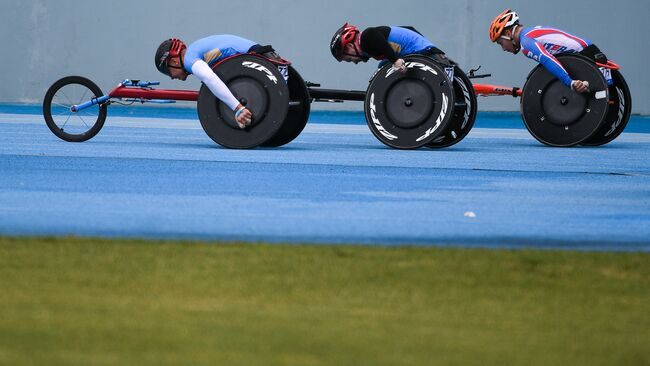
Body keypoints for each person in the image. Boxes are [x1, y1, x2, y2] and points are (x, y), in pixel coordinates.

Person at [155, 35, 281, 129]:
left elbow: (210, 79)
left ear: (174, 62)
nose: (171, 77)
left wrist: (238, 109)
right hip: (267, 54)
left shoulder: (189, 60)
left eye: (168, 72)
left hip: (259, 58)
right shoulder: (195, 49)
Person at [488, 9, 610, 94]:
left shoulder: (526, 42)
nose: (503, 48)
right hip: (592, 53)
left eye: (500, 43)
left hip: (586, 58)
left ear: (508, 33)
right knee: (609, 92)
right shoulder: (532, 31)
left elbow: (548, 60)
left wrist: (570, 83)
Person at [329, 23, 454, 73]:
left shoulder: (366, 37)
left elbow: (375, 37)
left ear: (350, 46)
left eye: (350, 60)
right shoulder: (375, 39)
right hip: (429, 52)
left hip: (426, 54)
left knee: (384, 68)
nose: (355, 62)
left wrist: (395, 61)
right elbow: (410, 29)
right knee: (383, 66)